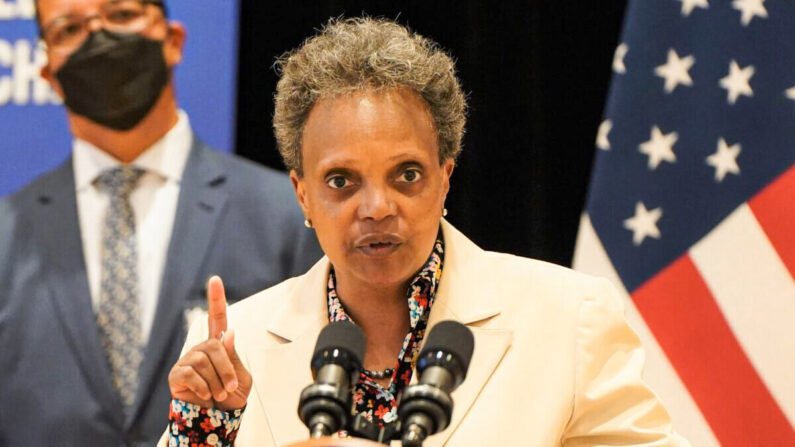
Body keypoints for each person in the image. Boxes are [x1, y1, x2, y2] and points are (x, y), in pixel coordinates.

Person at [162, 17, 691, 447]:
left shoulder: (568, 317)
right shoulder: (237, 346)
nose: (376, 208)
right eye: (341, 181)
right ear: (302, 195)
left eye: (406, 175)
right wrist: (204, 435)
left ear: (445, 179)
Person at [0, 0, 322, 445]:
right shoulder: (6, 234)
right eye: (69, 28)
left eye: (121, 15)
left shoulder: (286, 216)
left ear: (173, 41)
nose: (99, 37)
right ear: (48, 75)